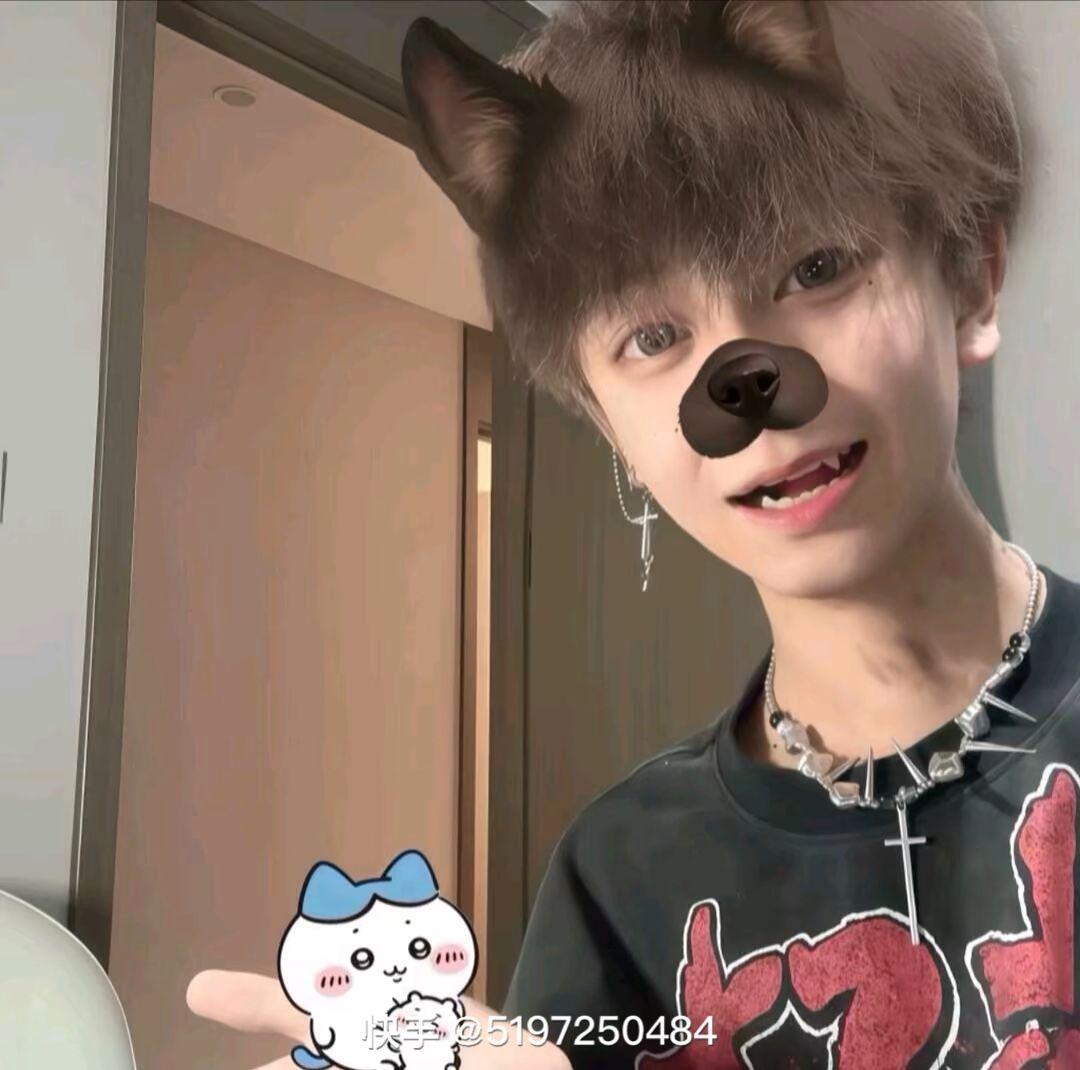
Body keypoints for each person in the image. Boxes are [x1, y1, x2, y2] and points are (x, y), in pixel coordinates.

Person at [187, 2, 1080, 1066]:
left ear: (971, 279)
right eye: (654, 336)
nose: (743, 381)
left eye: (816, 268)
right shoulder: (619, 877)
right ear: (610, 426)